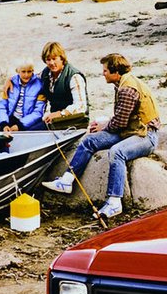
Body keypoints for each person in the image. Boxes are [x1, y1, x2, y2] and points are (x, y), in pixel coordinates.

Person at [43, 52, 159, 220]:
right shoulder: (122, 82)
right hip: (130, 131)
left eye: (105, 70)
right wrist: (105, 125)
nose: (103, 73)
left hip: (145, 136)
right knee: (90, 140)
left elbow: (119, 123)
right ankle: (67, 180)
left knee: (117, 152)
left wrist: (104, 125)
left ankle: (114, 202)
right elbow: (122, 120)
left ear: (115, 72)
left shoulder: (127, 89)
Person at [39, 41, 89, 129]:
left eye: (54, 58)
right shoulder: (45, 73)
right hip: (54, 120)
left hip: (75, 121)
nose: (51, 63)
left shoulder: (74, 76)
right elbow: (29, 78)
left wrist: (60, 114)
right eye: (48, 59)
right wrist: (10, 80)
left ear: (61, 58)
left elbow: (81, 106)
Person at [0, 62, 47, 134]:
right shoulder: (10, 83)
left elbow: (38, 112)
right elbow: (2, 106)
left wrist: (20, 125)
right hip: (11, 119)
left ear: (33, 71)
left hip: (29, 122)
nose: (26, 75)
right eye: (23, 71)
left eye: (29, 71)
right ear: (18, 71)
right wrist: (4, 123)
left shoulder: (40, 85)